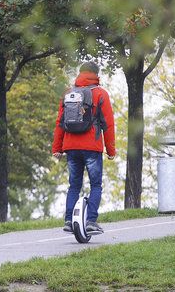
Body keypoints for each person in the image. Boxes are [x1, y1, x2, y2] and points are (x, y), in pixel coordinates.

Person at [52, 61, 116, 234]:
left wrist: (57, 148)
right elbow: (108, 124)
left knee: (74, 185)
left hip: (71, 147)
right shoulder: (101, 94)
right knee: (96, 185)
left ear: (80, 74)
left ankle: (68, 220)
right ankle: (90, 221)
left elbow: (60, 123)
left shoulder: (68, 93)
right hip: (92, 147)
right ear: (96, 75)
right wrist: (111, 150)